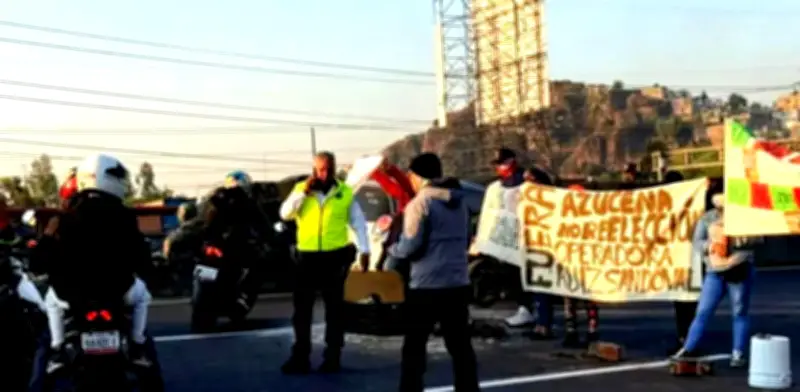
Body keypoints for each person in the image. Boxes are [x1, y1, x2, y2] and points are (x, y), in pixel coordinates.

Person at [29, 153, 155, 374]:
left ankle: (57, 350)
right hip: (117, 292)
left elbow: (38, 264)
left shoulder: (63, 218)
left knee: (50, 306)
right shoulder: (124, 216)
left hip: (71, 295)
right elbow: (142, 258)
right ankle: (137, 344)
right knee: (143, 296)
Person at [385, 153, 480, 392]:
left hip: (426, 286)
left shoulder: (420, 204)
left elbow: (411, 246)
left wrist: (392, 248)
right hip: (457, 282)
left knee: (415, 347)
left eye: (411, 176)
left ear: (418, 176)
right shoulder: (461, 203)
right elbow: (467, 239)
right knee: (460, 346)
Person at [279, 151, 371, 374]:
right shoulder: (302, 189)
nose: (325, 173)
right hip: (307, 257)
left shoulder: (344, 192)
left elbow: (358, 222)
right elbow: (285, 213)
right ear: (314, 169)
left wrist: (365, 250)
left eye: (328, 169)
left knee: (335, 310)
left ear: (334, 168)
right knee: (302, 311)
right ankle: (300, 357)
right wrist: (304, 193)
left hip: (334, 257)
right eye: (320, 169)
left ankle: (333, 357)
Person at [672, 180, 760, 368]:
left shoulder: (746, 217)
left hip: (739, 268)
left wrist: (744, 240)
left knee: (739, 311)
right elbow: (697, 242)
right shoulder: (707, 218)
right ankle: (689, 347)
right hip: (715, 270)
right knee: (703, 311)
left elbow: (760, 239)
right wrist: (711, 246)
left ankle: (738, 352)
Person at [560, 183, 600, 347]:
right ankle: (572, 330)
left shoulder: (592, 217)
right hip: (570, 262)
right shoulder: (564, 217)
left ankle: (591, 330)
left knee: (588, 299)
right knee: (570, 299)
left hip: (587, 263)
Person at [662, 170, 698, 355]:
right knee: (685, 304)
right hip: (686, 262)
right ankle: (686, 339)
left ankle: (688, 341)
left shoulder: (689, 206)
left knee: (685, 305)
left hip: (684, 262)